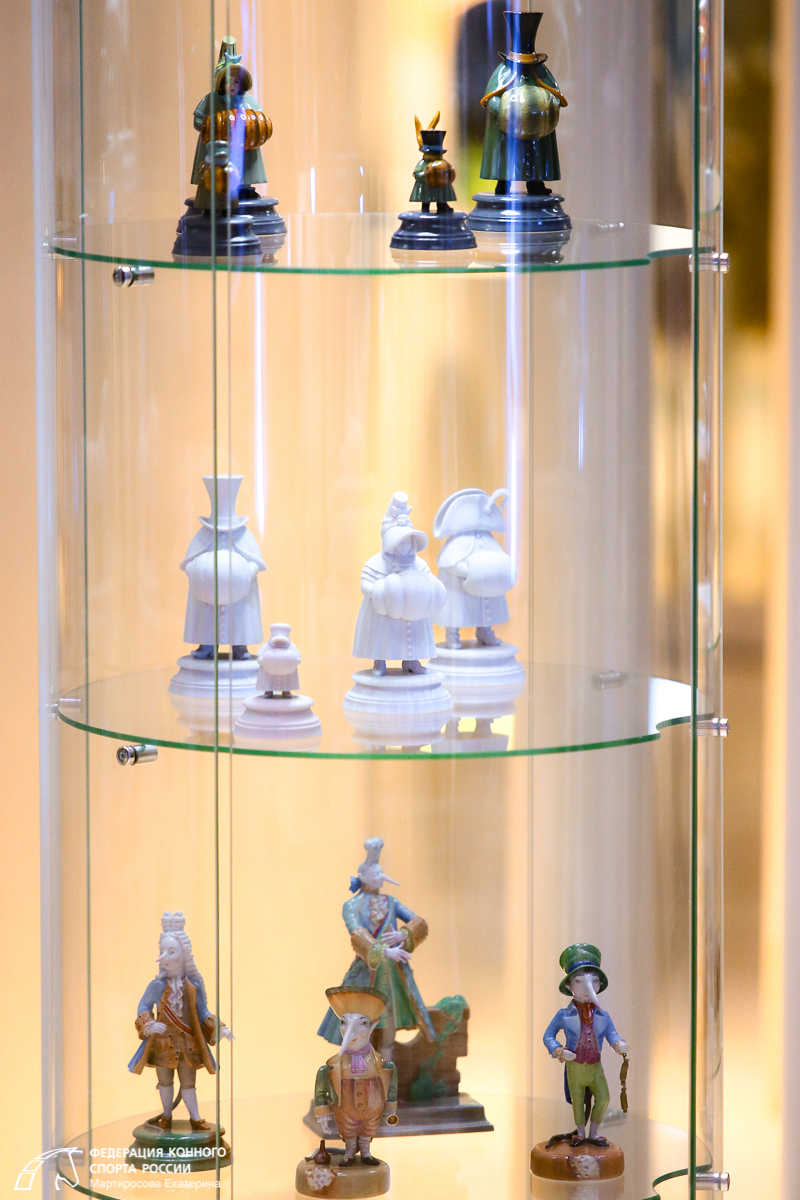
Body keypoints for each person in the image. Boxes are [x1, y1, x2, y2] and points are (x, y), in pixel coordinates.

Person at [318, 838, 435, 1055]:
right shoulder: (351, 905)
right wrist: (385, 951)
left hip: (392, 974)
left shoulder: (392, 902)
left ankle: (387, 1071)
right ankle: (363, 1067)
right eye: (376, 874)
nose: (381, 877)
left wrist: (403, 934)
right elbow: (357, 934)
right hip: (367, 971)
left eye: (381, 873)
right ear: (363, 877)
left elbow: (418, 922)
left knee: (389, 1022)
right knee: (361, 1022)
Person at [128, 911, 233, 1131]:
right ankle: (166, 1116)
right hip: (162, 1044)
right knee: (165, 1082)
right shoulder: (156, 986)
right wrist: (149, 1024)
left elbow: (203, 1012)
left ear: (183, 955)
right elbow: (143, 1006)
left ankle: (195, 1118)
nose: (164, 957)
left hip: (188, 1046)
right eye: (162, 951)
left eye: (171, 951)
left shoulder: (193, 986)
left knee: (189, 1083)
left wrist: (219, 1028)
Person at [543, 943, 627, 1146]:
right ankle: (580, 1132)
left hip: (595, 1066)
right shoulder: (564, 1015)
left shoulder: (603, 1016)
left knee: (604, 1097)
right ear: (569, 986)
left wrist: (618, 1044)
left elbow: (612, 1034)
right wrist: (559, 1050)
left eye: (594, 980)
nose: (587, 987)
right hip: (575, 1066)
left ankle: (594, 1132)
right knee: (578, 1101)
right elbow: (548, 1036)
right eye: (579, 981)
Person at [315, 986, 398, 1167]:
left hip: (372, 1110)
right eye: (344, 1022)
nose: (350, 1031)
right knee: (348, 1128)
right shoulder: (331, 1068)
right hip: (344, 1110)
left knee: (369, 1126)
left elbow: (391, 1085)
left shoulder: (383, 1066)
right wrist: (323, 1111)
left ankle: (366, 1152)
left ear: (372, 1027)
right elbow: (322, 1087)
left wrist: (390, 1106)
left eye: (363, 1023)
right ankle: (349, 1152)